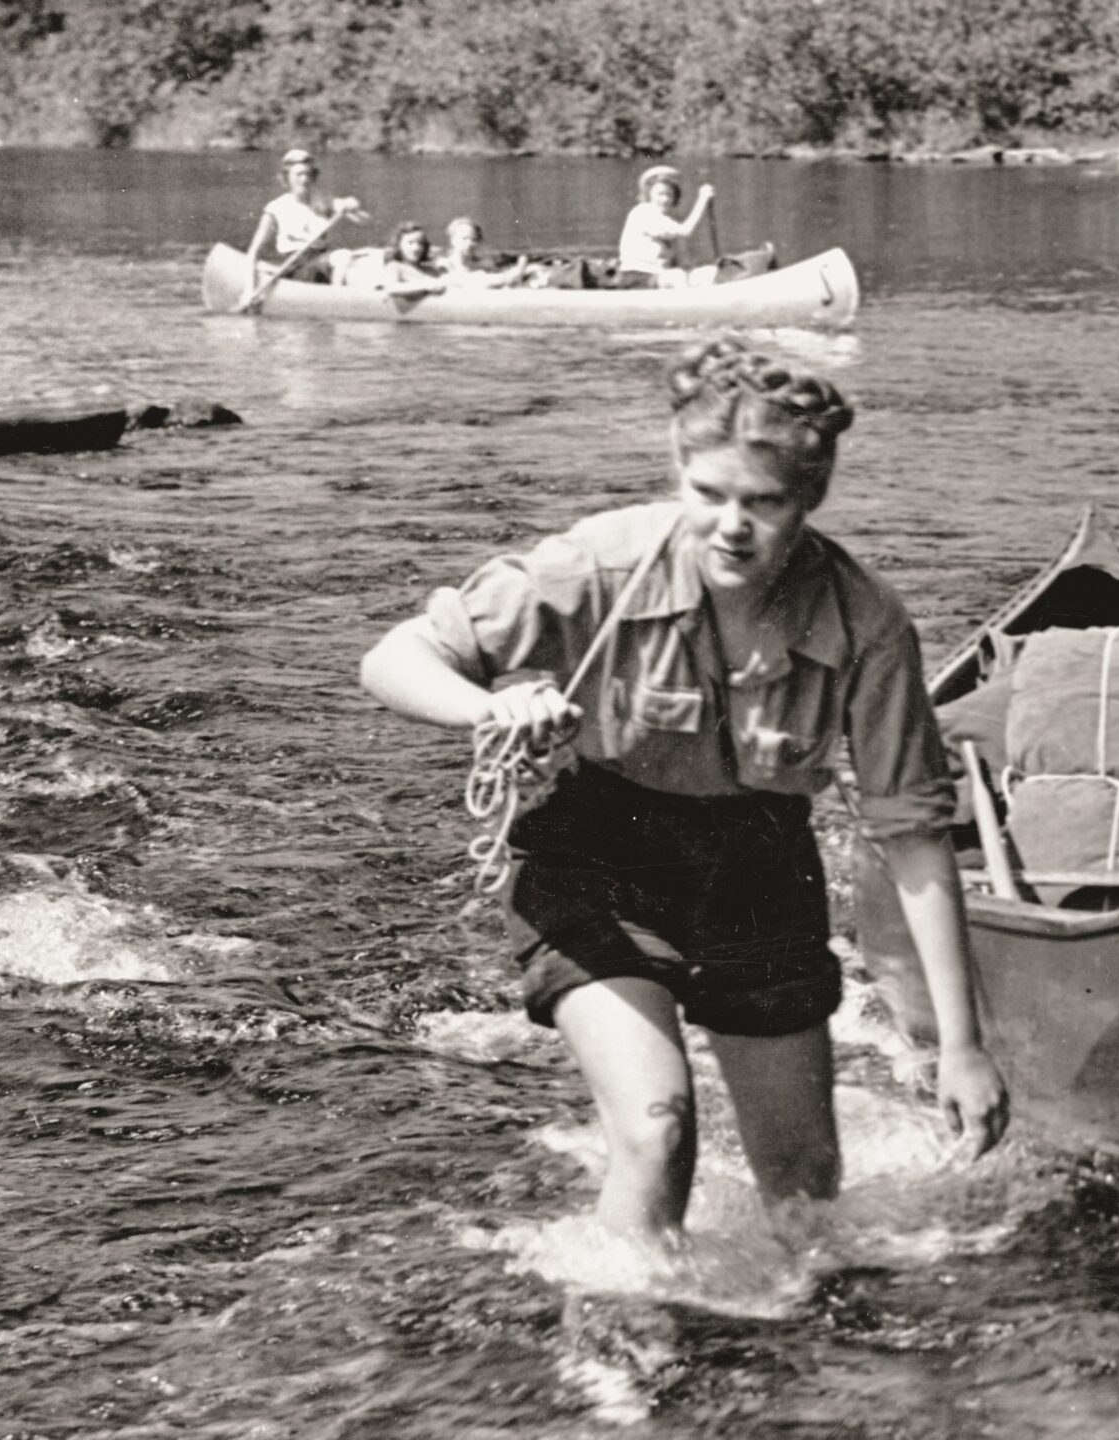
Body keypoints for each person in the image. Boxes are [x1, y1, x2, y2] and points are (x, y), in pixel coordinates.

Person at [359, 337, 1009, 1248]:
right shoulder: (598, 565)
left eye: (764, 503)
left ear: (809, 500)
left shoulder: (868, 622)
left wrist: (963, 1045)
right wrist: (487, 714)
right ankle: (623, 1351)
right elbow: (393, 658)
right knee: (661, 1127)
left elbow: (913, 835)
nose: (731, 526)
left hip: (759, 872)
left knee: (807, 1185)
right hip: (596, 856)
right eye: (708, 496)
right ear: (678, 473)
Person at [238, 147, 367, 303]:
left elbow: (363, 220)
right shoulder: (276, 208)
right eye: (298, 174)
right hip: (294, 266)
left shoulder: (324, 201)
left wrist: (353, 206)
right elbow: (253, 251)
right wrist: (248, 290)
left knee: (365, 257)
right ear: (287, 178)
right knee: (343, 256)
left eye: (308, 174)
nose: (304, 179)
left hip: (321, 262)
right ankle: (336, 303)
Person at [614, 166, 714, 290]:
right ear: (649, 195)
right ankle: (684, 307)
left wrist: (694, 272)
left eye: (669, 195)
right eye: (660, 194)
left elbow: (683, 262)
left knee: (710, 273)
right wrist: (703, 199)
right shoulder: (643, 212)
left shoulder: (668, 222)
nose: (665, 199)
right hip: (635, 276)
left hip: (659, 275)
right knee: (678, 276)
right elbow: (685, 231)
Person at [438, 216, 530, 290]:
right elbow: (486, 281)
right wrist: (521, 266)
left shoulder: (482, 264)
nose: (470, 244)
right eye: (464, 239)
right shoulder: (444, 266)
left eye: (474, 240)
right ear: (453, 240)